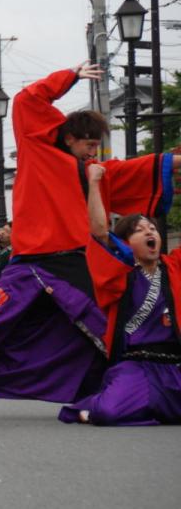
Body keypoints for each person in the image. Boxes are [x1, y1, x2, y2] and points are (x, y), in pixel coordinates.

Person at [0, 62, 180, 405]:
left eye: (97, 145)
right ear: (69, 138)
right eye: (88, 144)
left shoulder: (91, 171)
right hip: (29, 262)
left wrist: (175, 162)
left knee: (102, 326)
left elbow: (133, 170)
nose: (93, 151)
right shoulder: (37, 151)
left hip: (76, 263)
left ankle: (105, 388)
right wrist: (70, 76)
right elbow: (26, 100)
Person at [59, 165, 181, 425]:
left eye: (152, 228)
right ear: (126, 243)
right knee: (108, 414)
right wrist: (93, 183)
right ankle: (99, 402)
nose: (150, 232)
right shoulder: (119, 276)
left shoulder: (174, 268)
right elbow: (99, 233)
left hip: (175, 365)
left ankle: (152, 405)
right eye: (140, 230)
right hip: (135, 366)